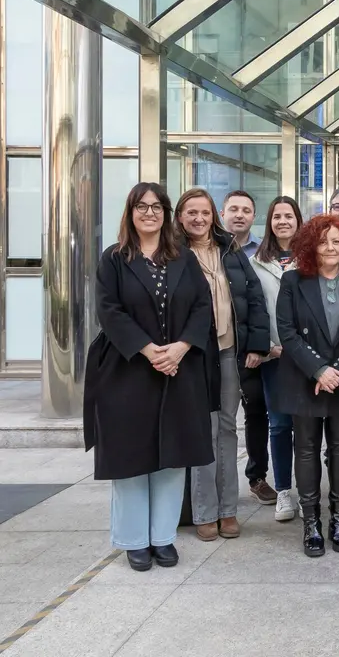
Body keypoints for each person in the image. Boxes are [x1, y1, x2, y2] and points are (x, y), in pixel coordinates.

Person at [85, 183, 213, 572]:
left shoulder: (183, 258)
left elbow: (202, 307)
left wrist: (180, 348)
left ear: (165, 213)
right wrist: (148, 350)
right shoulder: (114, 259)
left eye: (156, 207)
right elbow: (109, 312)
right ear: (130, 212)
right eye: (142, 207)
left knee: (173, 458)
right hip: (127, 370)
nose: (149, 213)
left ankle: (163, 537)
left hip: (179, 369)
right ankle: (134, 540)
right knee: (131, 457)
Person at [175, 188, 271, 542]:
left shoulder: (229, 249)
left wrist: (257, 345)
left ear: (213, 215)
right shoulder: (174, 253)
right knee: (204, 430)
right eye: (191, 213)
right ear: (181, 217)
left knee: (228, 429)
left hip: (230, 352)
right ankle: (204, 511)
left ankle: (229, 510)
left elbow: (254, 296)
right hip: (193, 357)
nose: (198, 219)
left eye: (204, 212)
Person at [276, 215, 339, 557]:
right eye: (322, 241)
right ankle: (312, 523)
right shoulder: (292, 281)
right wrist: (318, 370)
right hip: (306, 379)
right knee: (305, 450)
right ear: (310, 246)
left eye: (336, 241)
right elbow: (286, 331)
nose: (330, 248)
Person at [221, 190, 275, 509]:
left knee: (256, 414)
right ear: (222, 212)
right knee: (217, 418)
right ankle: (215, 479)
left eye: (246, 210)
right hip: (215, 349)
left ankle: (256, 477)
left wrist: (257, 346)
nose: (239, 215)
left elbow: (259, 302)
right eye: (234, 209)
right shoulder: (209, 247)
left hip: (248, 351)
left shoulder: (261, 251)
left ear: (254, 217)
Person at [251, 196, 304, 522]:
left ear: (298, 220)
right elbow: (254, 308)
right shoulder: (256, 261)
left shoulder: (311, 257)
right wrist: (267, 346)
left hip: (309, 358)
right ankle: (285, 491)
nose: (283, 221)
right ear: (269, 222)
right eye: (277, 216)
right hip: (275, 357)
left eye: (289, 216)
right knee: (281, 424)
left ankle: (312, 489)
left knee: (311, 427)